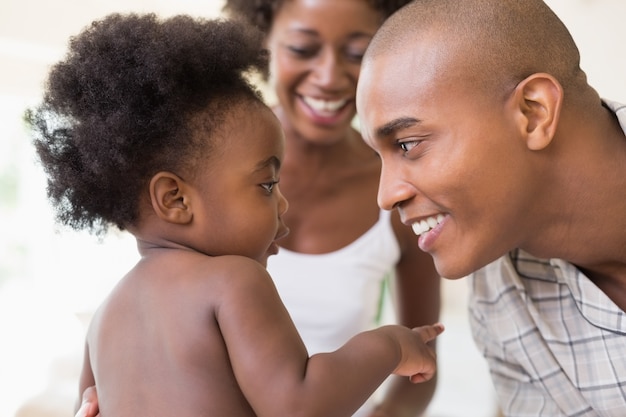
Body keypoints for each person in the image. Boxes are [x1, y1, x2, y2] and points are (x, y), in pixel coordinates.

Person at [27, 13, 444, 417]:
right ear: (175, 199)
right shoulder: (234, 281)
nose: (283, 204)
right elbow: (301, 405)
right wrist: (390, 346)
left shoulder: (105, 316)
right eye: (266, 184)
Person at [355, 0, 626, 415]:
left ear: (533, 113)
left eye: (408, 144)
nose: (386, 196)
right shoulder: (499, 303)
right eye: (380, 157)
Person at [223, 1, 441, 416]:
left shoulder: (401, 189)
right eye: (303, 49)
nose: (328, 77)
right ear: (260, 40)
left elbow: (421, 372)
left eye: (358, 54)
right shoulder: (206, 165)